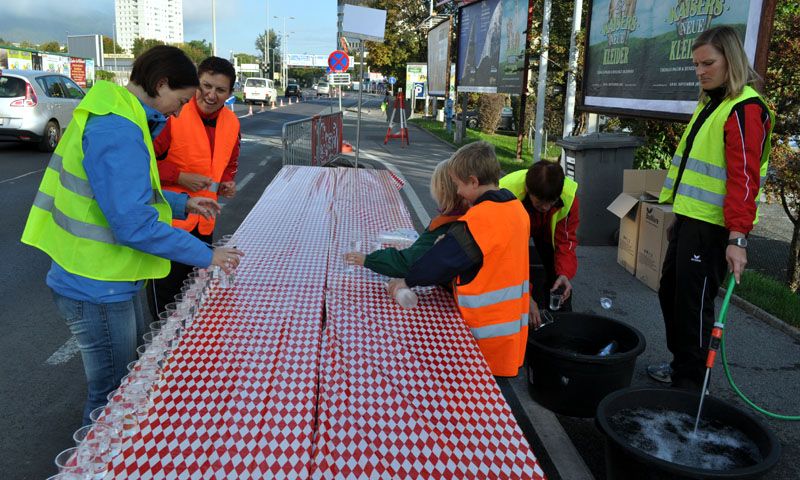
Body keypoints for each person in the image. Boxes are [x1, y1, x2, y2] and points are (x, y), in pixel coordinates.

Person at [20, 45, 244, 425]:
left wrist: (181, 204)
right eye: (181, 99)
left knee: (125, 381)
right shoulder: (118, 127)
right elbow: (134, 224)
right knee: (111, 397)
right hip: (96, 284)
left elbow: (130, 193)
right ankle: (97, 466)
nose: (178, 111)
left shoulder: (119, 112)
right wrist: (208, 255)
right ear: (160, 84)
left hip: (105, 278)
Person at [647, 26, 774, 391]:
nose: (700, 71)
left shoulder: (745, 109)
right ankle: (683, 366)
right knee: (671, 291)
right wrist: (681, 217)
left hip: (715, 228)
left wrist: (738, 237)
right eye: (696, 64)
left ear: (730, 60)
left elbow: (744, 179)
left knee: (693, 305)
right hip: (692, 220)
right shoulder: (714, 102)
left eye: (708, 63)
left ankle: (690, 387)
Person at [388, 141, 530, 377]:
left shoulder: (482, 218)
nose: (458, 192)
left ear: (474, 182)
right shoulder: (515, 208)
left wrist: (406, 281)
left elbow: (442, 261)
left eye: (458, 184)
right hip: (511, 332)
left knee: (476, 401)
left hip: (483, 338)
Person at [148, 56, 241, 317]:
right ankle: (162, 354)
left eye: (220, 90)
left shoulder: (232, 123)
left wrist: (226, 182)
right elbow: (143, 165)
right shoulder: (171, 115)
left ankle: (185, 350)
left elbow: (229, 162)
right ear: (195, 84)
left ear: (230, 94)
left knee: (194, 295)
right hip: (168, 224)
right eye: (205, 86)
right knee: (165, 306)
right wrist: (178, 177)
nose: (211, 95)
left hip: (203, 225)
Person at [344, 159, 468, 277]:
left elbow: (408, 262)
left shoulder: (446, 226)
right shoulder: (464, 215)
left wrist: (368, 259)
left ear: (441, 188)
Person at [499, 161, 579, 327]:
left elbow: (566, 241)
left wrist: (564, 273)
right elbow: (508, 255)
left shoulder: (568, 197)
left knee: (556, 273)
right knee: (514, 275)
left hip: (546, 230)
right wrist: (525, 295)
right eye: (540, 202)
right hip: (515, 229)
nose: (546, 207)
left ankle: (560, 318)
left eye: (551, 202)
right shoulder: (505, 194)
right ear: (528, 190)